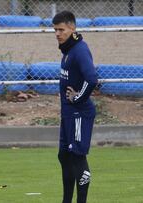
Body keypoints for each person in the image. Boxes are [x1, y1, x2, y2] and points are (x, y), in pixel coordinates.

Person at [53, 11, 98, 203]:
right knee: (64, 156)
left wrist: (77, 97)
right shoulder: (68, 50)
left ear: (73, 28)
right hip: (69, 113)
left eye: (61, 29)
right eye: (55, 30)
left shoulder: (79, 50)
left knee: (78, 157)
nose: (57, 33)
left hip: (80, 113)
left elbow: (92, 79)